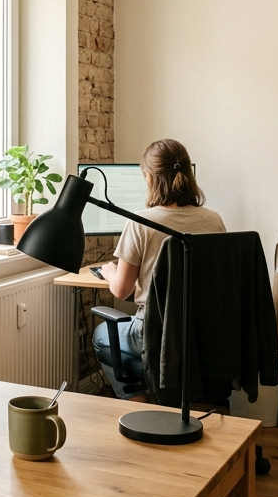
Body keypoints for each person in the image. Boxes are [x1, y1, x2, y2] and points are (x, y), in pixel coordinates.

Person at [92, 139, 225, 397]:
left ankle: (136, 400)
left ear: (150, 178)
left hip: (155, 330)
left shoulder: (140, 223)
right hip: (204, 332)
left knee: (101, 335)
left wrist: (109, 272)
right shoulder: (214, 219)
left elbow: (121, 290)